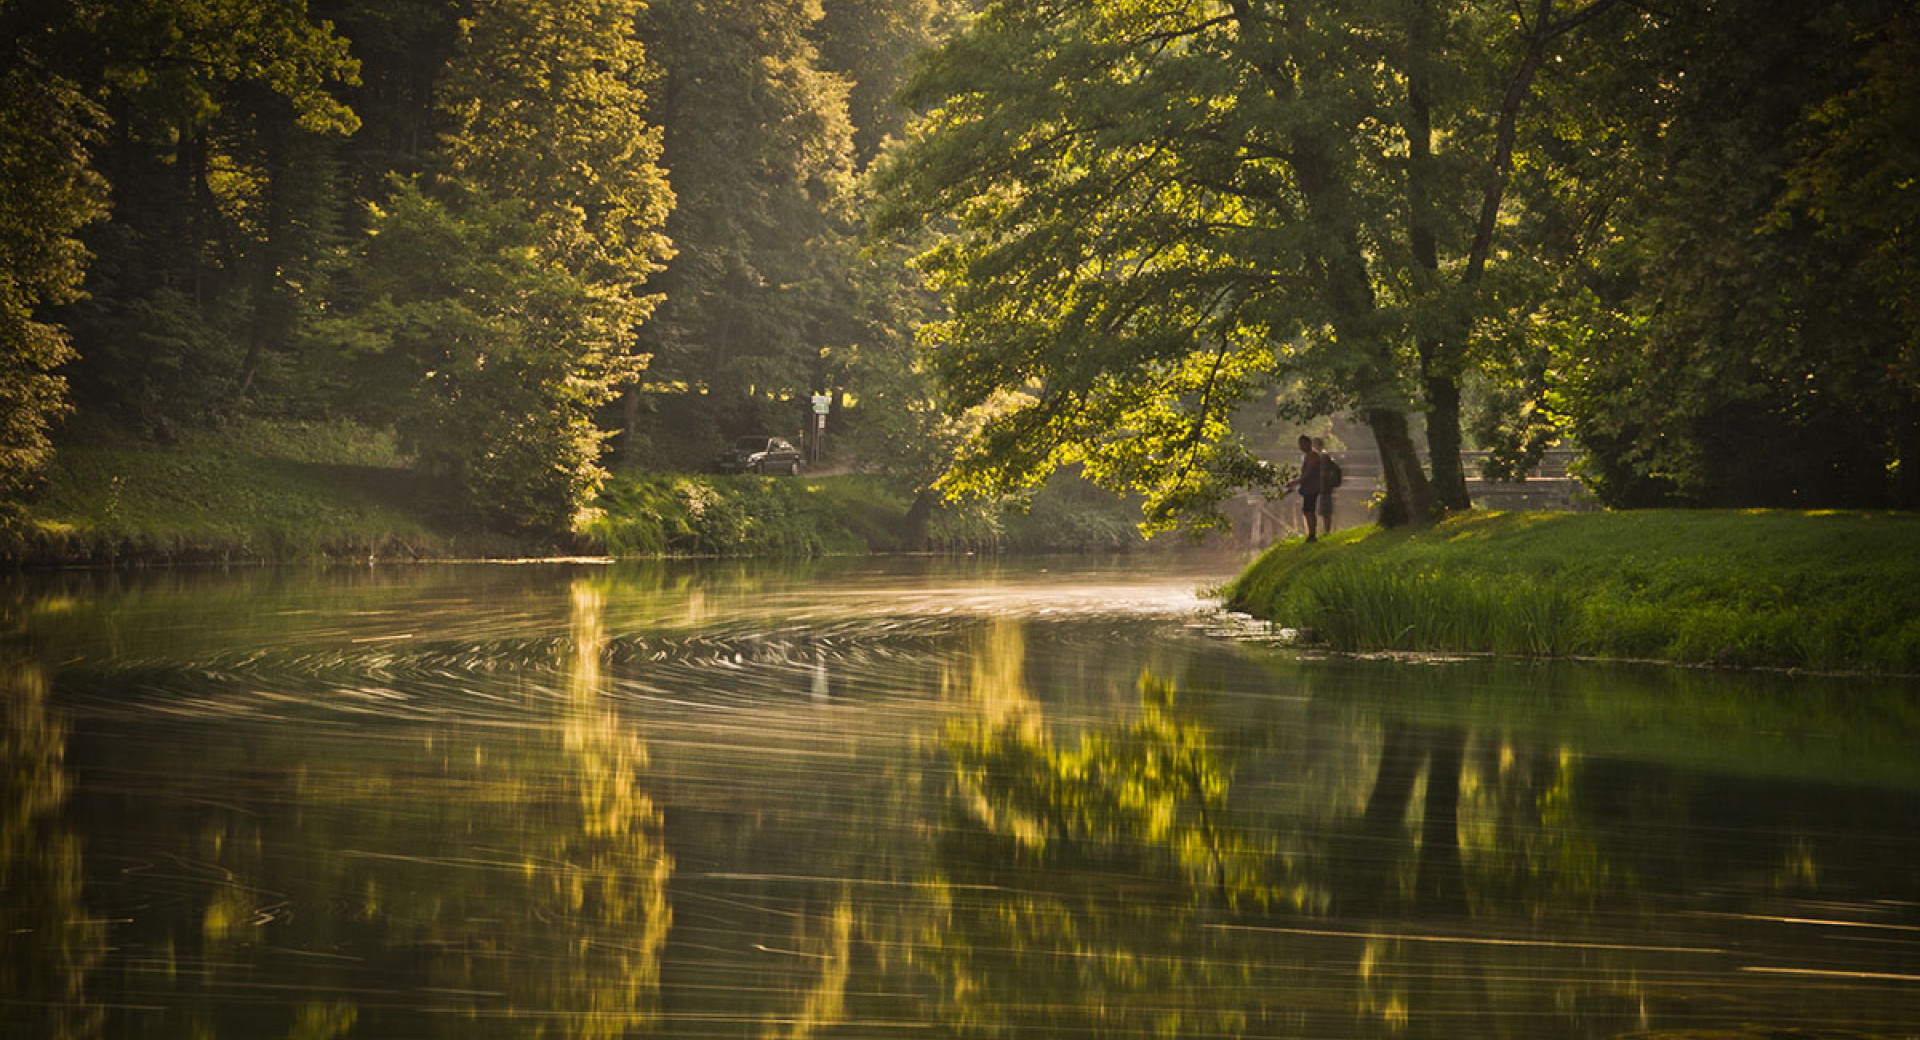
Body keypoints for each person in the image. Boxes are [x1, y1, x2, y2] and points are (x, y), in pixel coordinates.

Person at [1284, 434, 1323, 542]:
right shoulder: (1308, 455)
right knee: (1308, 510)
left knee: (1309, 510)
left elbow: (1307, 473)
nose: (1300, 447)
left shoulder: (1312, 456)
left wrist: (1295, 482)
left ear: (1308, 444)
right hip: (1309, 487)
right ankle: (1312, 533)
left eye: (1302, 444)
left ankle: (1312, 534)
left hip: (1312, 487)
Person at [1312, 436, 1335, 534]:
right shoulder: (1322, 455)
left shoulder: (1323, 455)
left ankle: (1327, 530)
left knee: (1326, 510)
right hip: (1323, 486)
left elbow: (1324, 472)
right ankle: (1325, 530)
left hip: (1324, 486)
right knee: (1323, 509)